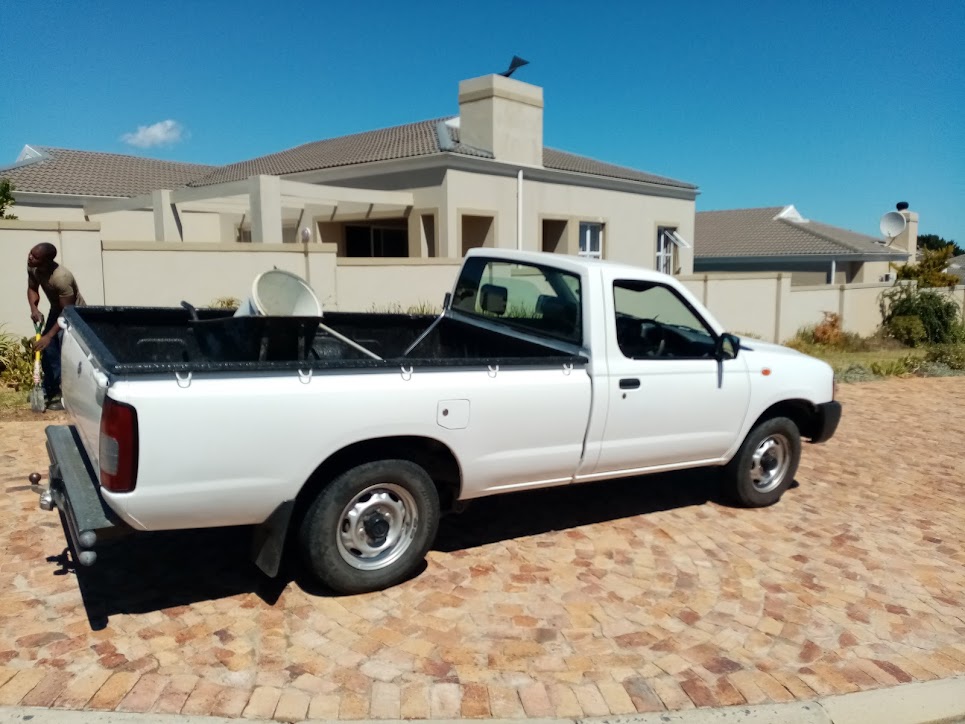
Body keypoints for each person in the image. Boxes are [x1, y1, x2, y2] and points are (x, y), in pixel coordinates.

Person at [27, 243, 85, 411]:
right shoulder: (33, 267)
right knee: (49, 352)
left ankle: (65, 395)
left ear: (47, 260)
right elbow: (32, 288)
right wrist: (34, 309)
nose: (30, 257)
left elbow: (68, 310)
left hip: (75, 315)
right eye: (31, 253)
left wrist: (49, 336)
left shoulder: (61, 277)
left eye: (35, 256)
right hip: (57, 311)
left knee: (65, 353)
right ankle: (49, 389)